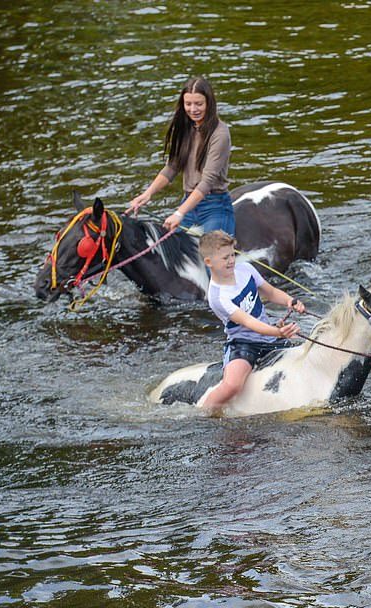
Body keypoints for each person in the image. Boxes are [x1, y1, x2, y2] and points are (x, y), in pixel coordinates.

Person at [199, 230, 304, 416]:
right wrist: (278, 332)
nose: (231, 261)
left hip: (269, 334)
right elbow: (248, 322)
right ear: (209, 263)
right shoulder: (218, 297)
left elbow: (270, 292)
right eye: (225, 258)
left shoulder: (246, 270)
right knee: (232, 385)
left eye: (232, 254)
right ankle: (203, 413)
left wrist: (290, 300)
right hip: (244, 343)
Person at [127, 76, 235, 235]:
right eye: (188, 104)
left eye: (199, 104)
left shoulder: (220, 133)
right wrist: (147, 194)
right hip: (189, 202)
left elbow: (207, 182)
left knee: (213, 255)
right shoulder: (186, 128)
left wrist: (179, 213)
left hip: (215, 206)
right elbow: (172, 167)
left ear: (209, 103)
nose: (193, 109)